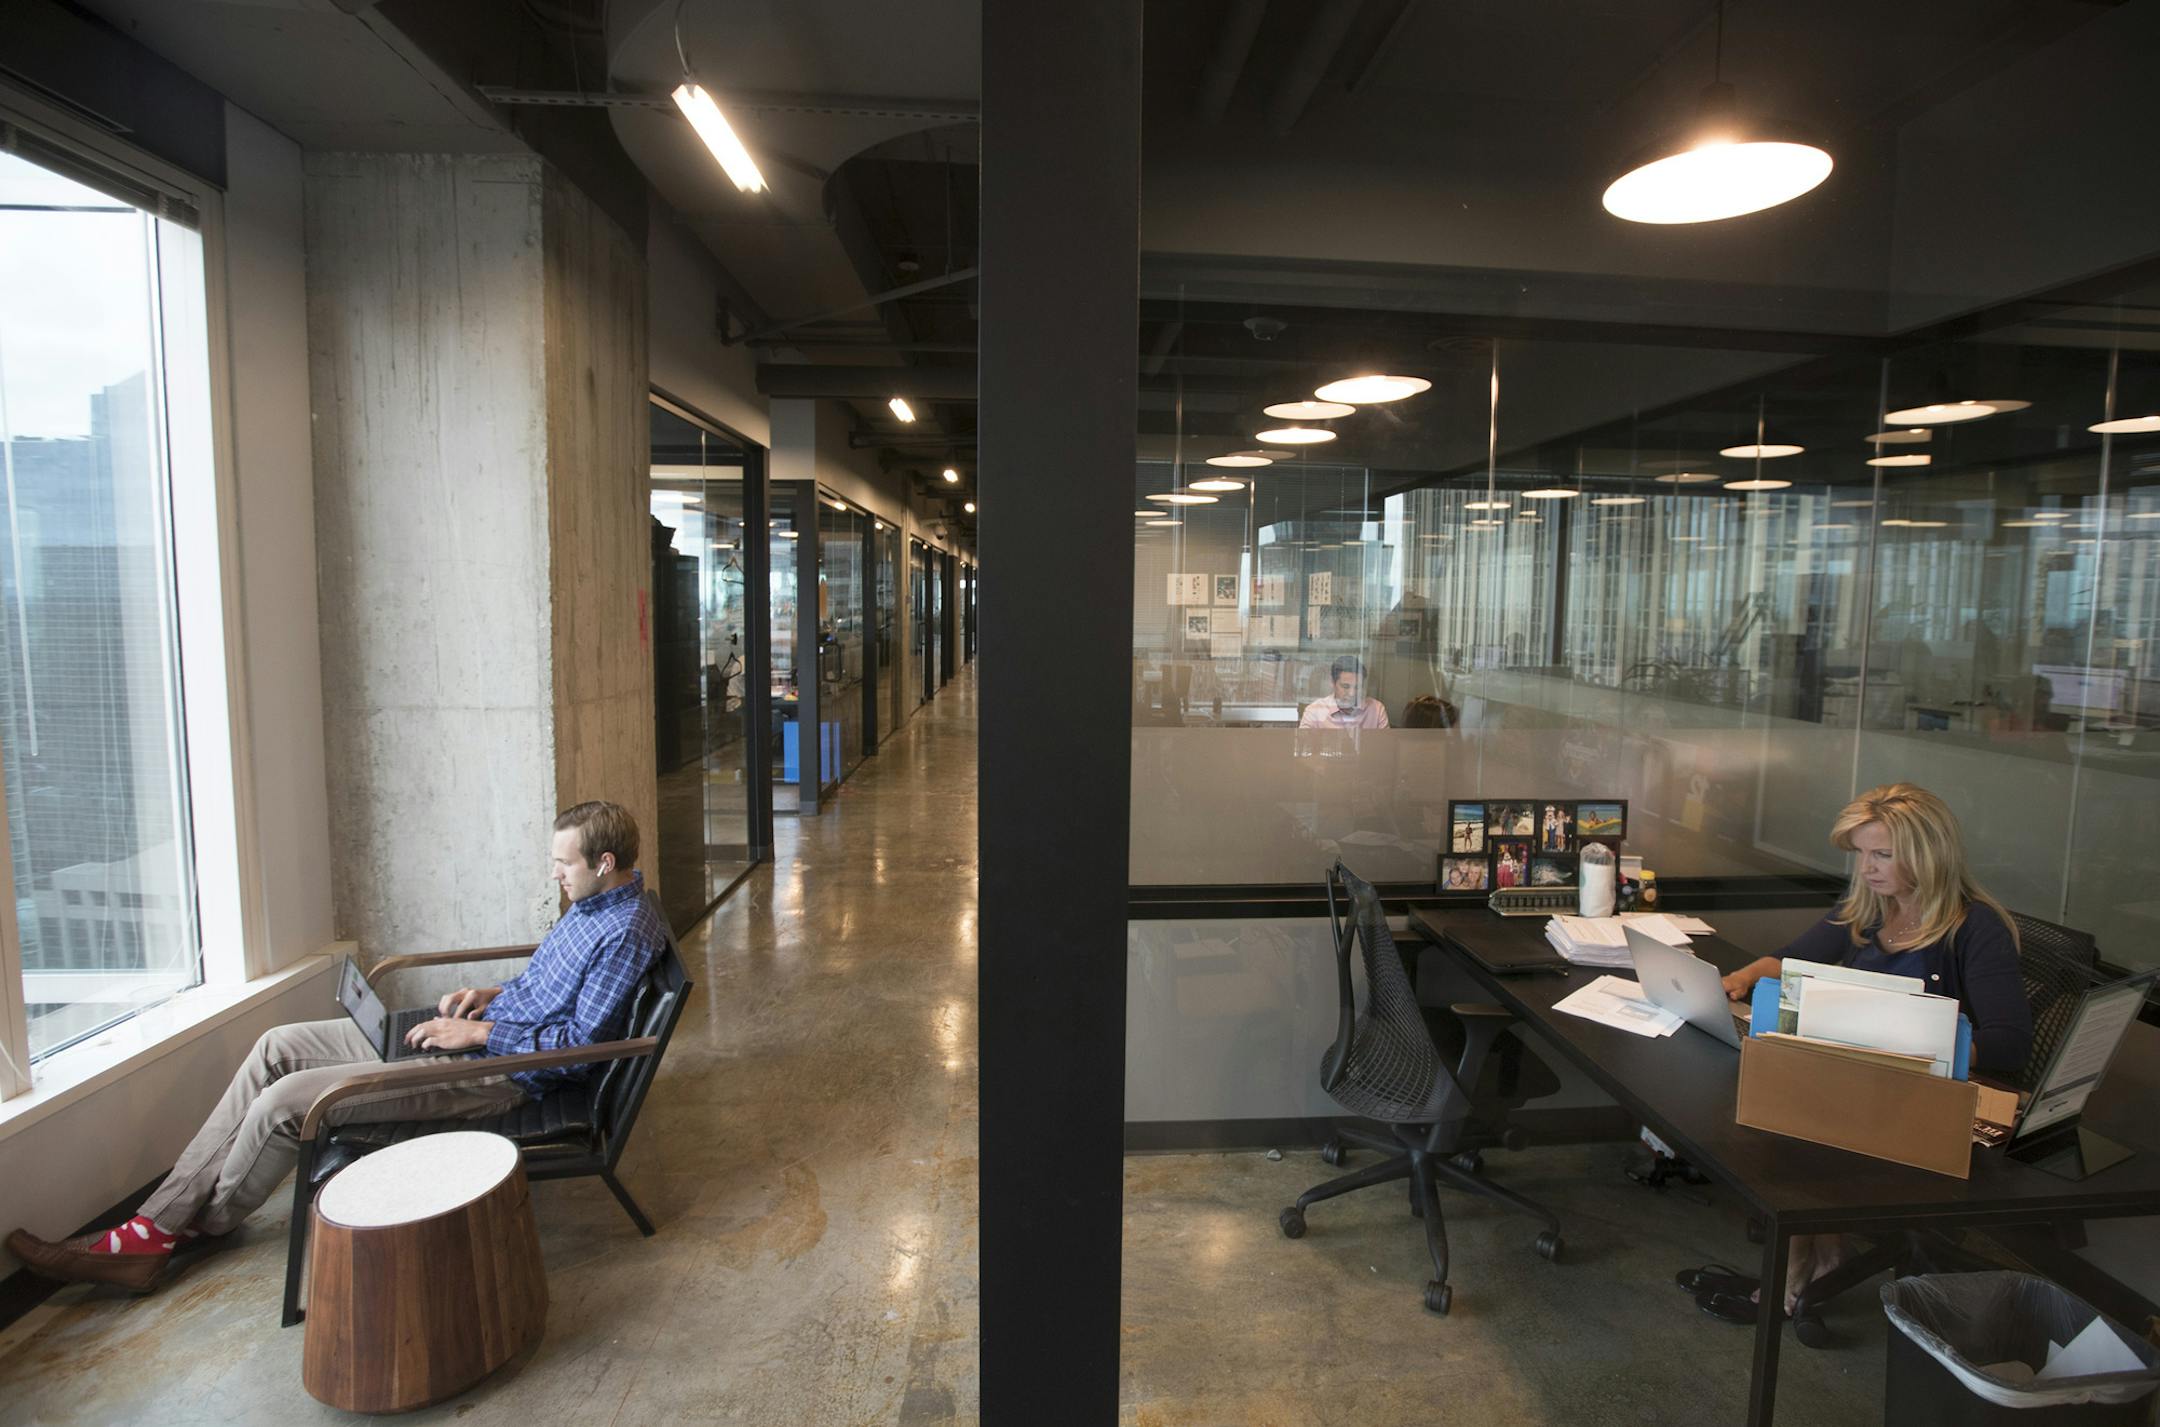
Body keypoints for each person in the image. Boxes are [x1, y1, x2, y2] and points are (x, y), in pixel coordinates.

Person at [5, 800, 667, 1295]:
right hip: (479, 1038)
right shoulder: (590, 906)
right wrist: (491, 992)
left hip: (501, 1074)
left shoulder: (625, 929)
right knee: (274, 1046)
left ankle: (176, 1228)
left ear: (603, 862)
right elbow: (549, 985)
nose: (554, 872)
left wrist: (481, 1033)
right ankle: (155, 1227)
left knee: (288, 1103)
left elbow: (581, 1047)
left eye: (563, 862)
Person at [1680, 782, 2032, 1334]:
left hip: (1933, 1098)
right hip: (1863, 1083)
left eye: (1883, 855)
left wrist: (1911, 1039)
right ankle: (1824, 1252)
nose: (1867, 868)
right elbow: (1793, 961)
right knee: (1766, 1085)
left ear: (1927, 854)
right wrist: (1740, 979)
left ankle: (1794, 1268)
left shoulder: (1975, 927)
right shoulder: (1870, 909)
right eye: (1862, 854)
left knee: (1791, 1113)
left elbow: (2011, 1043)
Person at [1299, 655, 1390, 730]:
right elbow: (1304, 747)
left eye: (1358, 687)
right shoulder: (1315, 711)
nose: (1352, 693)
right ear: (1333, 683)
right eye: (1345, 687)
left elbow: (1385, 748)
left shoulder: (1377, 710)